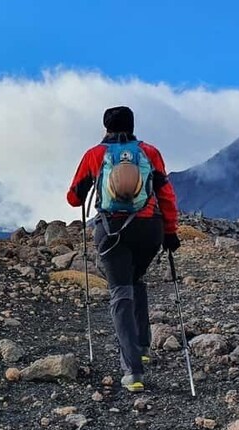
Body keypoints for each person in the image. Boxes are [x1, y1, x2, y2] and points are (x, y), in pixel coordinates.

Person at [66, 106, 180, 392]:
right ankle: (142, 345)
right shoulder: (150, 152)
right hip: (149, 229)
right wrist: (170, 232)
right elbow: (165, 193)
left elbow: (73, 199)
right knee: (136, 279)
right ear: (132, 124)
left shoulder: (95, 155)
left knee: (120, 291)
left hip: (111, 230)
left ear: (105, 127)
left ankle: (132, 372)